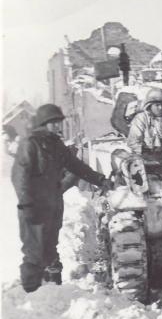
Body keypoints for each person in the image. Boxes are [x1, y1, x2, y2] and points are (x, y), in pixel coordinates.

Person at [12, 104, 111, 292]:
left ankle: (53, 291)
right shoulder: (30, 144)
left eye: (59, 123)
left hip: (53, 204)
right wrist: (26, 204)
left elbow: (75, 165)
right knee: (34, 252)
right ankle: (31, 292)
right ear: (43, 123)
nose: (58, 127)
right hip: (34, 206)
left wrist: (99, 179)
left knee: (50, 249)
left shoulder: (56, 144)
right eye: (54, 123)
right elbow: (19, 176)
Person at [127, 87, 162, 153]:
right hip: (145, 158)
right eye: (157, 105)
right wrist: (149, 151)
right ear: (149, 106)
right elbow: (132, 143)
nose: (161, 108)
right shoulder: (140, 119)